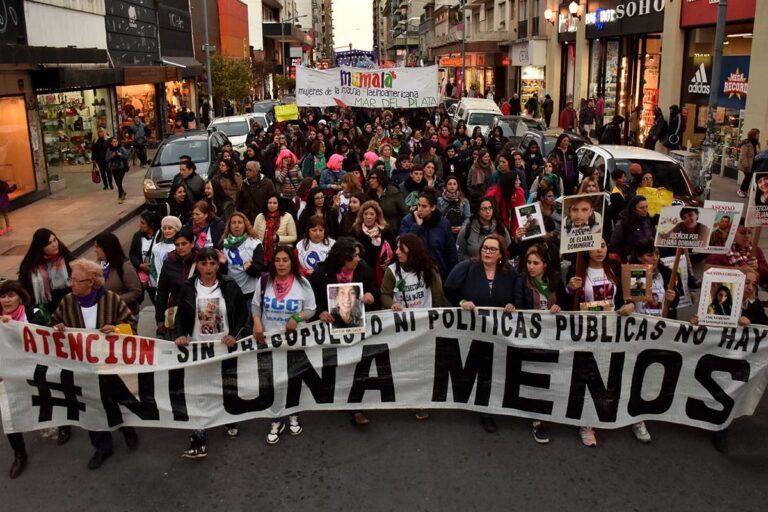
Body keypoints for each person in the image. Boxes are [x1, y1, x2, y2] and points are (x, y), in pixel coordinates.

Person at [51, 259, 138, 469]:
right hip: (83, 368)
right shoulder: (67, 302)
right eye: (71, 279)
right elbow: (52, 324)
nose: (71, 284)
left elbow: (131, 325)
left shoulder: (111, 300)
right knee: (92, 406)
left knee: (116, 399)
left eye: (77, 280)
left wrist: (116, 329)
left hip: (109, 366)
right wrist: (57, 327)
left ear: (91, 282)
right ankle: (102, 448)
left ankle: (127, 429)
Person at [173, 248, 248, 457]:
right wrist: (180, 335)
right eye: (203, 263)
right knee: (199, 390)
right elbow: (180, 316)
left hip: (223, 347)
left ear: (218, 265)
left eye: (212, 263)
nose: (208, 268)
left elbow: (242, 313)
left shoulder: (230, 285)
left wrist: (234, 334)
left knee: (225, 386)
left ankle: (228, 419)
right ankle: (199, 435)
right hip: (198, 348)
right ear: (197, 265)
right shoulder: (188, 287)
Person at [563, 239, 635, 447]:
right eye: (595, 246)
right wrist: (570, 289)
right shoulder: (576, 271)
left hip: (611, 332)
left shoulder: (615, 269)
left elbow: (625, 298)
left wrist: (629, 306)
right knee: (587, 376)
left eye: (603, 245)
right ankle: (586, 425)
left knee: (608, 375)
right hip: (586, 333)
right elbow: (566, 303)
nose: (599, 250)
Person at [444, 233, 519, 433]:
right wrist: (461, 302)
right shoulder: (467, 267)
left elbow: (517, 296)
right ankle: (477, 406)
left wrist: (513, 304)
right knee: (475, 368)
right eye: (485, 248)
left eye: (493, 249)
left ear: (501, 254)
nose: (487, 252)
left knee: (494, 369)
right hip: (473, 331)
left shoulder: (509, 273)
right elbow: (449, 289)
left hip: (498, 333)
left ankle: (491, 407)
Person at [310, 238, 379, 426]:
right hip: (330, 331)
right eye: (354, 256)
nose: (358, 259)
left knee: (357, 366)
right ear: (342, 258)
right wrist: (320, 312)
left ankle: (356, 407)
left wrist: (371, 296)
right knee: (335, 366)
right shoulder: (321, 274)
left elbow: (376, 292)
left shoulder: (364, 270)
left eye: (358, 255)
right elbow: (310, 300)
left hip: (358, 330)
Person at [251, 245, 316, 443]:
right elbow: (255, 305)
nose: (281, 264)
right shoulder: (264, 281)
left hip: (294, 341)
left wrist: (297, 317)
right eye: (277, 260)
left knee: (293, 379)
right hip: (269, 340)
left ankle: (293, 414)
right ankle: (276, 419)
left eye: (285, 260)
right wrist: (257, 323)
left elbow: (312, 309)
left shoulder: (302, 283)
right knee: (272, 381)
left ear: (292, 262)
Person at [512, 244, 562, 443]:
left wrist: (560, 307)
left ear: (545, 264)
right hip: (530, 336)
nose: (531, 267)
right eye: (529, 262)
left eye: (536, 263)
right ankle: (537, 419)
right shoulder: (521, 281)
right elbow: (518, 305)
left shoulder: (555, 280)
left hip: (551, 335)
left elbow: (565, 303)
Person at [0, 280, 48, 478]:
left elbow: (44, 342)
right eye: (2, 296)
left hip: (35, 372)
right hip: (8, 376)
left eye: (11, 295)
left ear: (20, 296)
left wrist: (13, 328)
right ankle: (19, 453)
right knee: (9, 413)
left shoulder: (34, 315)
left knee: (47, 400)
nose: (6, 300)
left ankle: (63, 426)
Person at [400, 190, 458, 280]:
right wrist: (417, 226)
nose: (419, 209)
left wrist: (453, 277)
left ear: (433, 207)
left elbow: (451, 252)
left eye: (424, 206)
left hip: (438, 273)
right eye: (418, 205)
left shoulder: (443, 223)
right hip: (414, 274)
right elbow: (403, 246)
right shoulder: (408, 221)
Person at [18, 228, 73, 322]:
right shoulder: (29, 266)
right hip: (41, 313)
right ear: (41, 247)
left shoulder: (68, 259)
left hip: (66, 310)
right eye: (49, 243)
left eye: (55, 240)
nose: (54, 245)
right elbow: (23, 290)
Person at [381, 233, 445, 311]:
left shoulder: (429, 268)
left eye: (401, 248)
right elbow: (385, 294)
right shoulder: (392, 271)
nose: (397, 252)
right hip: (402, 318)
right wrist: (392, 304)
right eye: (397, 247)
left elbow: (437, 296)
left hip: (426, 316)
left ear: (412, 250)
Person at [155, 229, 199, 337]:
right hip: (177, 313)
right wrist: (160, 319)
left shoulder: (202, 260)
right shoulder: (169, 263)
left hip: (199, 312)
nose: (180, 247)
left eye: (184, 244)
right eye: (177, 244)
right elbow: (162, 293)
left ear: (192, 244)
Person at [94, 232, 143, 316]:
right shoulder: (97, 266)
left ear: (106, 248)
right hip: (105, 314)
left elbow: (136, 291)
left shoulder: (125, 266)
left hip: (124, 315)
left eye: (97, 247)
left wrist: (113, 300)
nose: (95, 250)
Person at [221, 211, 265, 303]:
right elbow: (221, 274)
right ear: (229, 226)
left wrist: (249, 268)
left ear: (245, 225)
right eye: (233, 223)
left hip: (250, 294)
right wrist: (223, 264)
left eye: (240, 222)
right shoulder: (223, 244)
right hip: (230, 292)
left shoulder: (255, 243)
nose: (236, 225)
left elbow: (259, 270)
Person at [706, 222, 768, 287]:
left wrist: (758, 267)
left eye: (749, 232)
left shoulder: (756, 250)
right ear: (732, 234)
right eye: (742, 232)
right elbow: (708, 270)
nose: (747, 236)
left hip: (750, 293)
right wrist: (737, 271)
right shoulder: (721, 250)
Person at [353, 200, 396, 283]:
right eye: (366, 214)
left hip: (383, 271)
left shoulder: (386, 230)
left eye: (372, 214)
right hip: (362, 271)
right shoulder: (356, 231)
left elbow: (394, 248)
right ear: (362, 215)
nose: (368, 217)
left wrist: (391, 259)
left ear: (377, 216)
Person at [254, 193, 298, 265]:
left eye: (275, 203)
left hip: (282, 254)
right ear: (266, 204)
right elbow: (254, 236)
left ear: (279, 204)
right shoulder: (260, 217)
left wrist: (279, 238)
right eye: (270, 203)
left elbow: (294, 237)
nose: (272, 205)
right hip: (262, 255)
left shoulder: (287, 217)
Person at [366, 169, 408, 234]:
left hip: (393, 229)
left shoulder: (394, 193)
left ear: (381, 179)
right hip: (374, 230)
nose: (371, 181)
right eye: (370, 178)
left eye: (374, 178)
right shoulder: (369, 194)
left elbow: (404, 212)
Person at [737, 128, 761, 198]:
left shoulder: (757, 143)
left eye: (758, 134)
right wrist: (745, 164)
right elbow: (743, 155)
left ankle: (744, 191)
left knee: (749, 177)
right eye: (757, 134)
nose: (758, 135)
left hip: (754, 164)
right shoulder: (747, 143)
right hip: (747, 164)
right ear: (753, 135)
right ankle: (741, 190)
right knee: (748, 177)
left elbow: (758, 152)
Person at [105, 136, 129, 203]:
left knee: (119, 181)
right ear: (111, 143)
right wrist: (112, 156)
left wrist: (120, 155)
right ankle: (123, 192)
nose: (115, 143)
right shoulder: (109, 149)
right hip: (114, 167)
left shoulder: (121, 148)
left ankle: (119, 196)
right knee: (117, 182)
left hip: (122, 167)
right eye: (113, 142)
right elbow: (106, 159)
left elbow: (127, 156)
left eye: (116, 141)